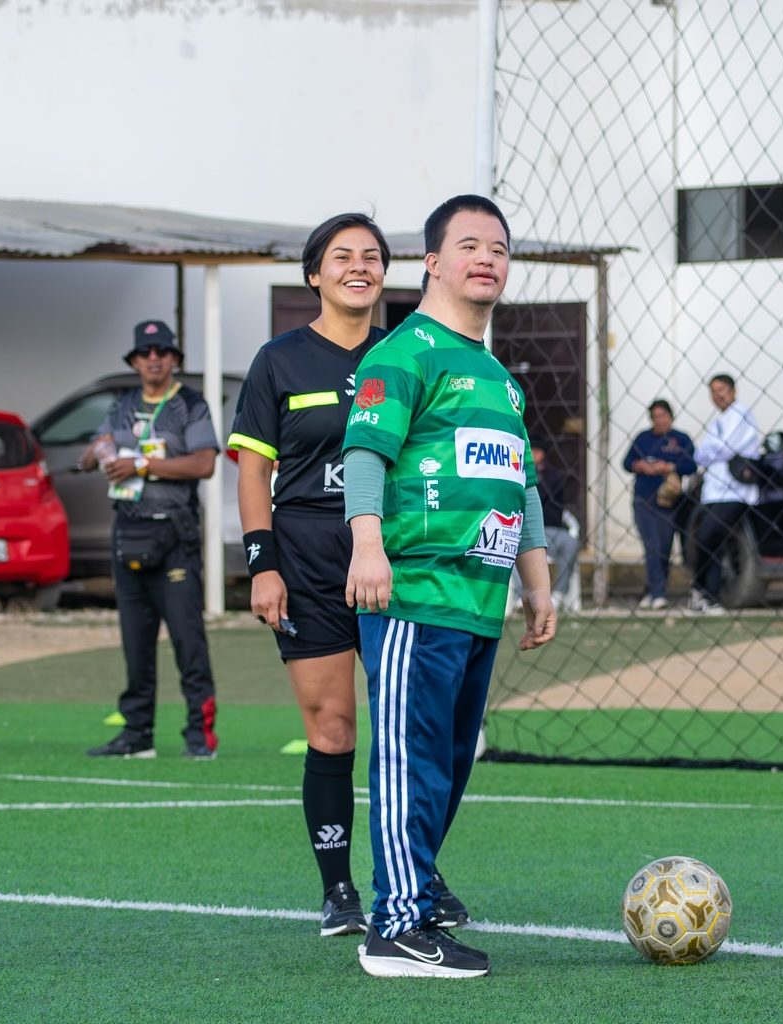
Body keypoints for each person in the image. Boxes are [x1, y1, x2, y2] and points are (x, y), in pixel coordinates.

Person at [227, 213, 469, 939]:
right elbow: (253, 471)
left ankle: (416, 875)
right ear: (314, 275)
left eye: (371, 256)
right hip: (306, 559)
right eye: (342, 256)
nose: (358, 266)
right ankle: (339, 890)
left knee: (410, 732)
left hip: (395, 561)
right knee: (333, 729)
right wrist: (262, 565)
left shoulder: (409, 354)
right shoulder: (280, 360)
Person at [343, 193, 556, 978]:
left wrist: (536, 583)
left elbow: (521, 486)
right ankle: (395, 929)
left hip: (478, 601)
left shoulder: (500, 379)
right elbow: (366, 457)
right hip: (414, 594)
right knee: (409, 756)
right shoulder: (404, 354)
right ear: (432, 262)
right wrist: (368, 545)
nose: (487, 259)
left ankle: (417, 893)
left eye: (499, 248)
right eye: (469, 245)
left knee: (448, 762)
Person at [79, 320, 220, 760]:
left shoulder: (190, 406)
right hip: (129, 535)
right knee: (135, 641)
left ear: (175, 359)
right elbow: (89, 455)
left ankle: (200, 735)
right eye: (145, 352)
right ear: (135, 361)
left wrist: (141, 466)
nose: (153, 358)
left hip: (175, 536)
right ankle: (137, 734)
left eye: (162, 351)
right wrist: (102, 452)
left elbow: (203, 464)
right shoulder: (121, 406)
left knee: (186, 639)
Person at [689, 375, 760, 614]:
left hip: (734, 492)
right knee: (709, 541)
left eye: (722, 389)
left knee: (710, 536)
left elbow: (723, 448)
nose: (718, 395)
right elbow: (700, 455)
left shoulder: (740, 415)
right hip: (713, 492)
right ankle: (705, 596)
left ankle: (703, 591)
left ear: (733, 391)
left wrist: (711, 450)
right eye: (713, 391)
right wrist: (712, 451)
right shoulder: (718, 421)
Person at [623, 399, 696, 609]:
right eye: (655, 417)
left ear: (670, 417)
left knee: (664, 547)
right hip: (643, 500)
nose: (659, 420)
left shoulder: (681, 439)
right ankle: (658, 593)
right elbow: (626, 462)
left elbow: (691, 464)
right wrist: (642, 465)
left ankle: (653, 589)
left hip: (669, 502)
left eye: (663, 416)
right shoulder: (643, 439)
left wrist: (669, 466)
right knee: (652, 545)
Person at [510, 442, 580, 611]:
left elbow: (549, 498)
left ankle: (558, 595)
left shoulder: (554, 475)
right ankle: (522, 596)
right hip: (524, 528)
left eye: (536, 451)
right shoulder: (516, 472)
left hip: (552, 529)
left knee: (571, 543)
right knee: (511, 545)